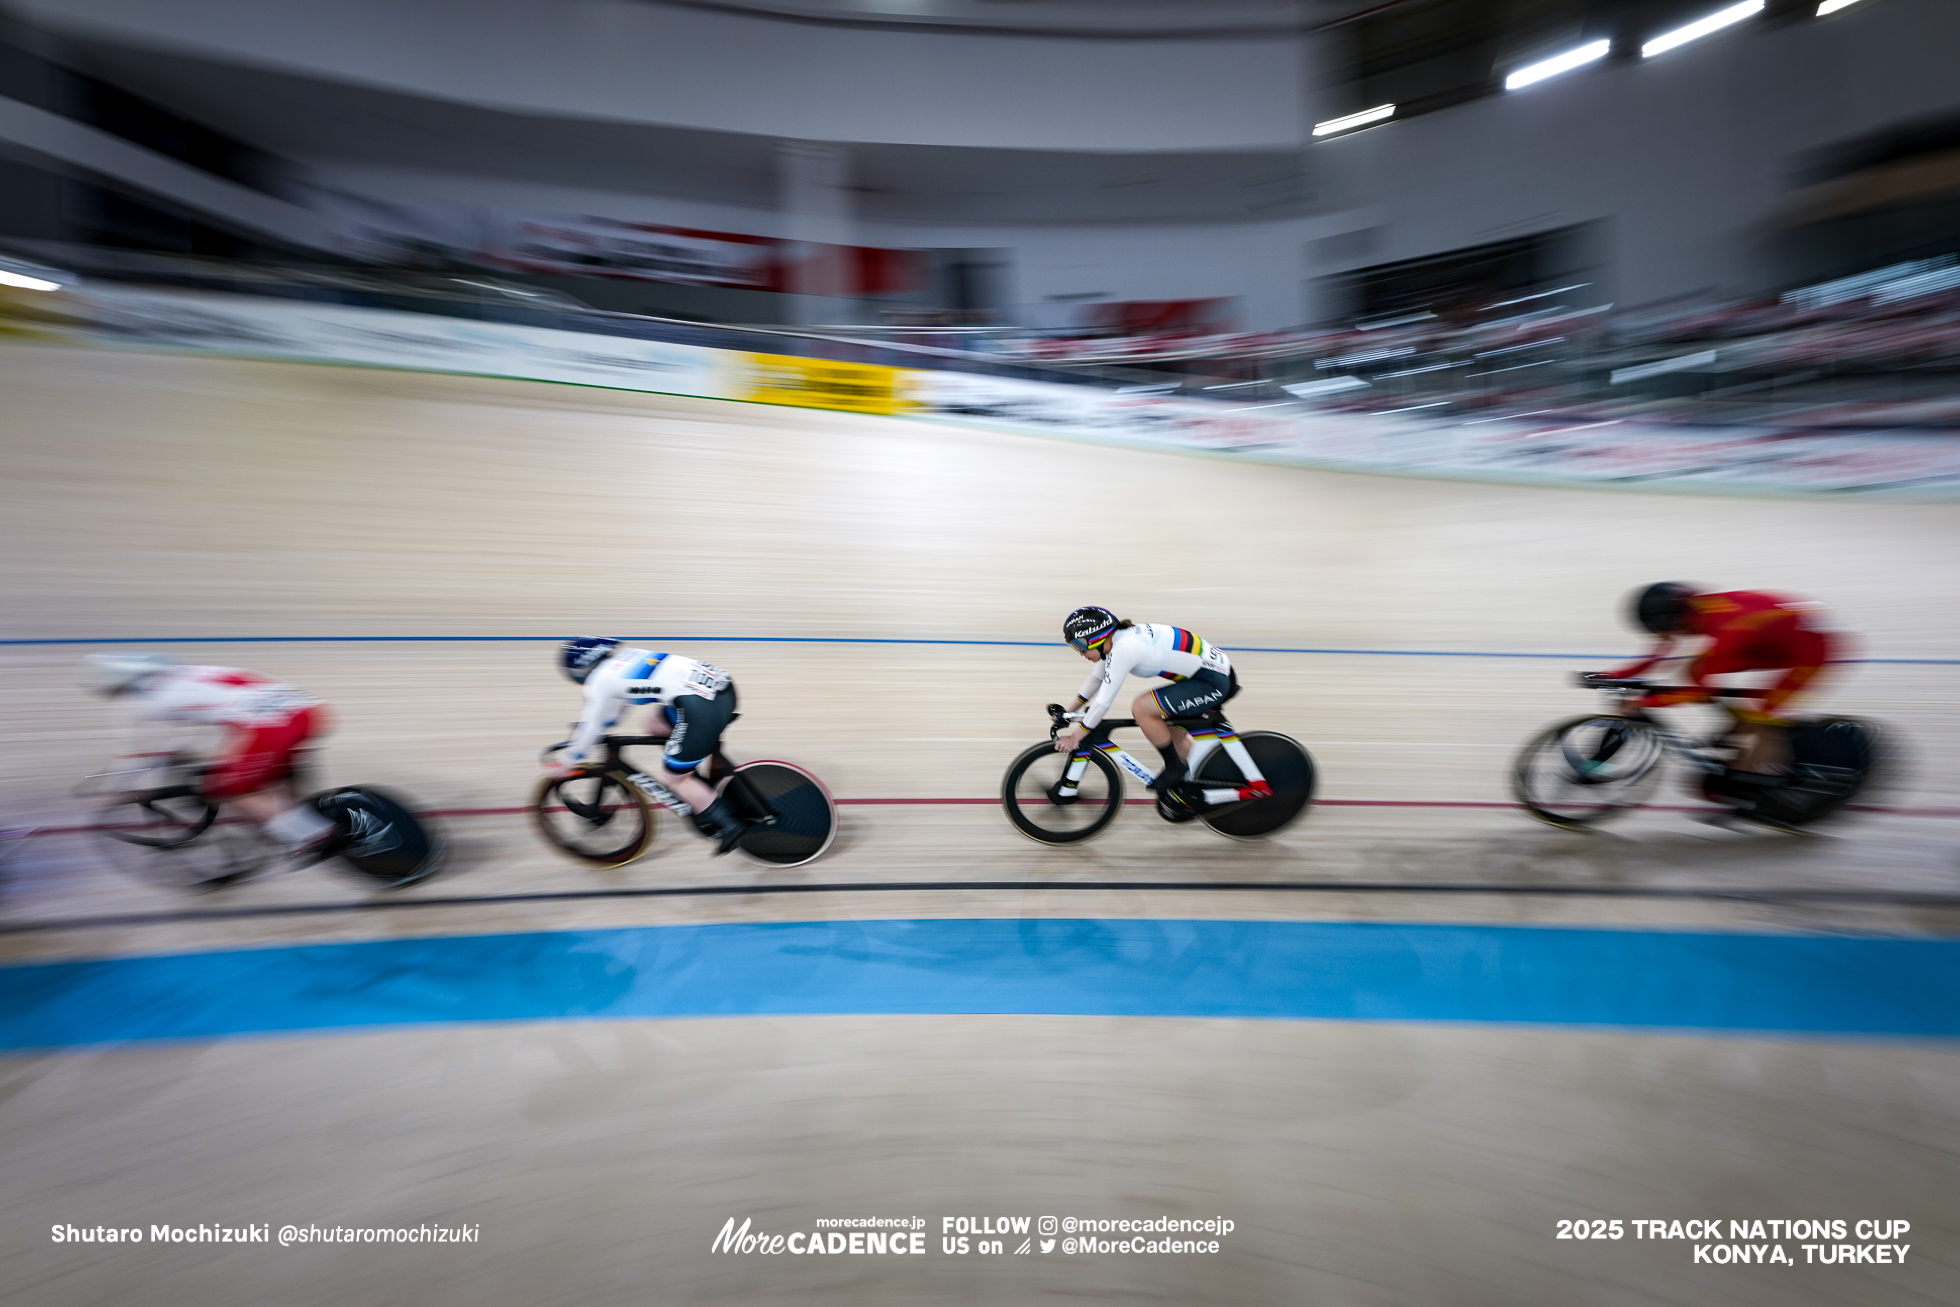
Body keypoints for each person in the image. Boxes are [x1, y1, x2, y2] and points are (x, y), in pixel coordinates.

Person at [82, 652, 340, 855]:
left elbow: (140, 756)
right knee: (252, 769)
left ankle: (311, 836)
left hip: (272, 726)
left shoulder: (146, 701)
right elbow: (210, 720)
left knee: (227, 789)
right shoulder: (193, 673)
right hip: (309, 710)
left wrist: (110, 793)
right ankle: (297, 811)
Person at [1606, 583, 1839, 776]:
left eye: (1661, 630)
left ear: (1671, 620)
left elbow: (1701, 692)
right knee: (1697, 670)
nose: (1663, 636)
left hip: (1811, 650)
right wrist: (1614, 675)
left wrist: (1645, 703)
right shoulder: (1689, 610)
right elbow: (1659, 653)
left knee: (1761, 716)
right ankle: (1735, 726)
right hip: (1770, 638)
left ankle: (1760, 780)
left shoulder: (1730, 630)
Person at [548, 637, 753, 854]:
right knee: (656, 725)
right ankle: (698, 786)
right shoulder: (622, 661)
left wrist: (569, 761)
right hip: (721, 688)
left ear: (579, 670)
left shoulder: (599, 680)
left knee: (675, 779)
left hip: (702, 708)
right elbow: (611, 713)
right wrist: (594, 732)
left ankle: (731, 826)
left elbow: (593, 725)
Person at [1053, 606, 1239, 808]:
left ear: (1097, 638)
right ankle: (1191, 786)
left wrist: (1075, 737)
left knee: (1142, 707)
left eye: (1080, 645)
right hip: (1211, 674)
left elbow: (1103, 702)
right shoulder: (1117, 640)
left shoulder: (1124, 648)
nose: (1080, 652)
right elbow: (1096, 680)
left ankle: (1174, 766)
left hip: (1212, 682)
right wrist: (1069, 711)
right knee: (1170, 732)